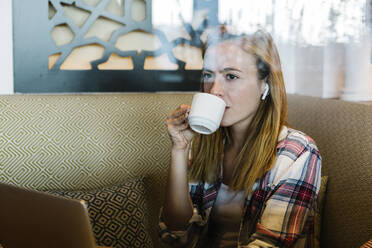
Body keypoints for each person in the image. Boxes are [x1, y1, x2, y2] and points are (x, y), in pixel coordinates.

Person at [159, 26, 322, 248]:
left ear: (265, 84)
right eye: (208, 75)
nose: (214, 90)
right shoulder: (205, 141)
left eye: (231, 76)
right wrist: (179, 150)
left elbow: (269, 245)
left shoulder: (297, 153)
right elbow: (176, 230)